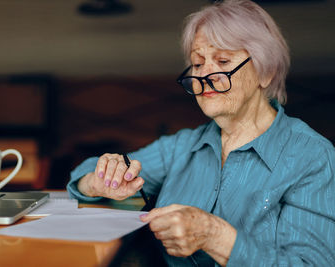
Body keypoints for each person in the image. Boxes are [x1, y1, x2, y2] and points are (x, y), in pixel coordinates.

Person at [67, 0, 335, 265]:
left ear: (267, 72)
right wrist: (100, 179)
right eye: (197, 63)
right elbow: (83, 174)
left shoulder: (312, 156)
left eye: (222, 60)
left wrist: (215, 236)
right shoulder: (181, 147)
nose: (205, 74)